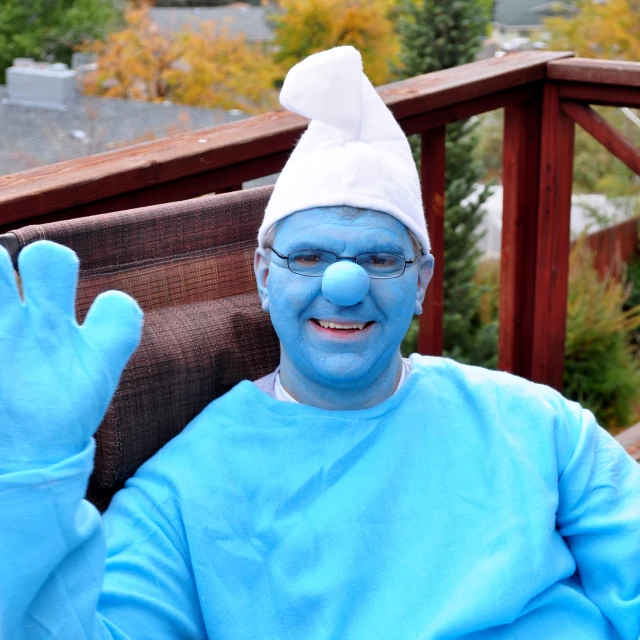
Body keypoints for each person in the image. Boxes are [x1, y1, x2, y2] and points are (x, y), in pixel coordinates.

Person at [1, 47, 639, 640]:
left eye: (381, 259)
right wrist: (31, 482)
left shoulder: (538, 423)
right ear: (263, 276)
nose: (345, 284)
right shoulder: (179, 497)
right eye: (308, 255)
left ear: (421, 282)